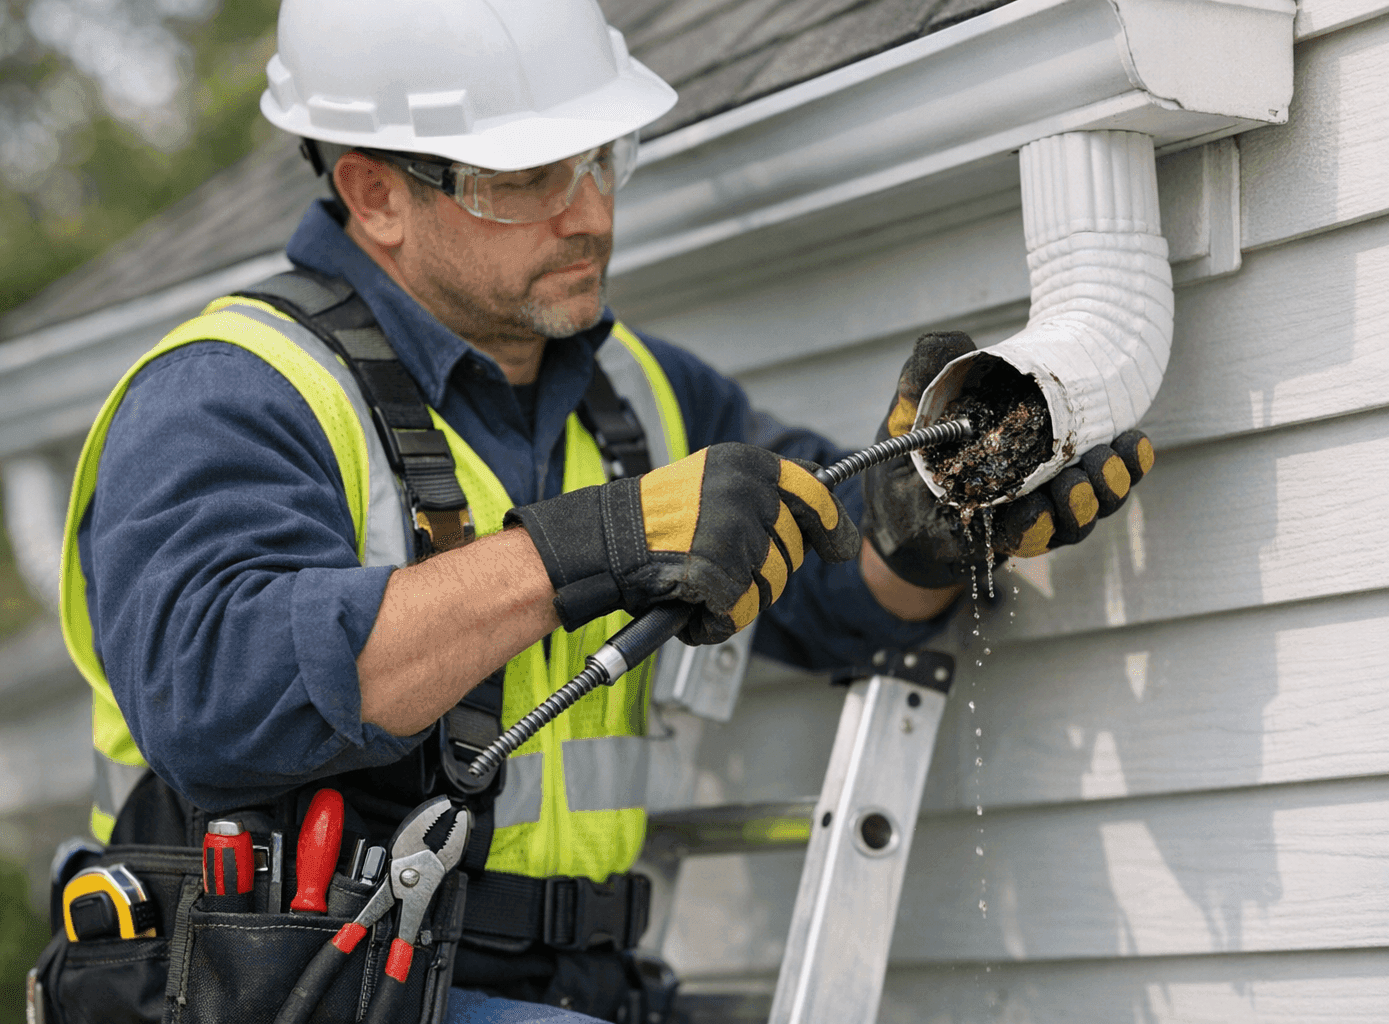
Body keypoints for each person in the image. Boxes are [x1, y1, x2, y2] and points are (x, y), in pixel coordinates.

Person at [56, 1, 1151, 1020]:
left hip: (587, 983)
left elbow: (833, 587)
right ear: (376, 193)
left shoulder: (642, 395)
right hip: (297, 987)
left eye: (599, 156)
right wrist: (596, 544)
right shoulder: (229, 391)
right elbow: (214, 691)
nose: (588, 211)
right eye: (527, 174)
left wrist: (920, 540)